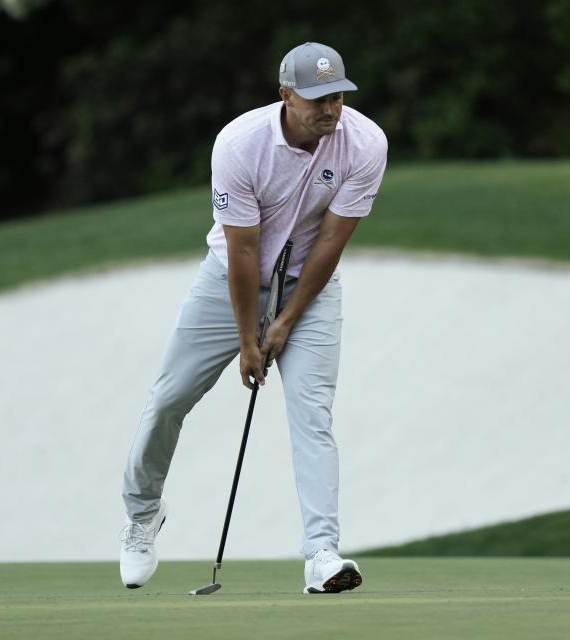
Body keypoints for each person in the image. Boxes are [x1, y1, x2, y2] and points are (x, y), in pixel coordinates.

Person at [118, 42, 387, 593]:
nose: (329, 109)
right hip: (228, 282)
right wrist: (249, 339)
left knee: (311, 413)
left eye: (336, 95)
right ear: (285, 95)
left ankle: (321, 555)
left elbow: (332, 241)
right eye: (316, 98)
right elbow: (242, 252)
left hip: (310, 285)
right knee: (169, 398)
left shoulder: (365, 142)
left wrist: (286, 320)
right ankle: (143, 514)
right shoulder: (240, 144)